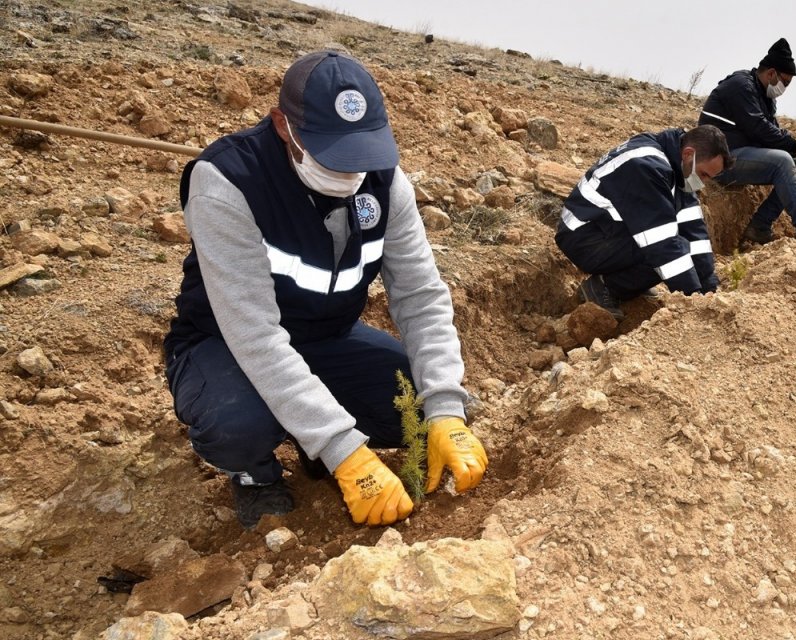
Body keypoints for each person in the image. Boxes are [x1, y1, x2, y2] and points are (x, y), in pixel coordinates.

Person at [162, 50, 488, 529]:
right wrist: (345, 452)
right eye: (331, 155)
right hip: (226, 345)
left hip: (325, 340)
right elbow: (254, 335)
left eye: (359, 154)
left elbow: (420, 297)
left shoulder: (385, 182)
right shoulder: (228, 183)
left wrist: (444, 408)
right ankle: (257, 474)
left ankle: (311, 436)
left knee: (416, 404)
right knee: (236, 425)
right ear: (282, 125)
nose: (348, 172)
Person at [556, 125, 731, 320]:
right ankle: (604, 287)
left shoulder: (679, 167)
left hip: (605, 229)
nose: (704, 182)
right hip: (583, 237)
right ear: (689, 154)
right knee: (667, 251)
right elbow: (662, 244)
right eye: (704, 174)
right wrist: (694, 300)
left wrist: (709, 287)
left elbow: (693, 230)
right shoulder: (647, 166)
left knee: (676, 249)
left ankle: (627, 284)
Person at [698, 37, 796, 244]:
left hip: (739, 154)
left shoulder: (764, 95)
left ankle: (759, 226)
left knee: (794, 168)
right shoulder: (741, 86)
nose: (785, 88)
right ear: (771, 73)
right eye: (785, 82)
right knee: (783, 162)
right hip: (717, 160)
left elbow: (771, 132)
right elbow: (759, 129)